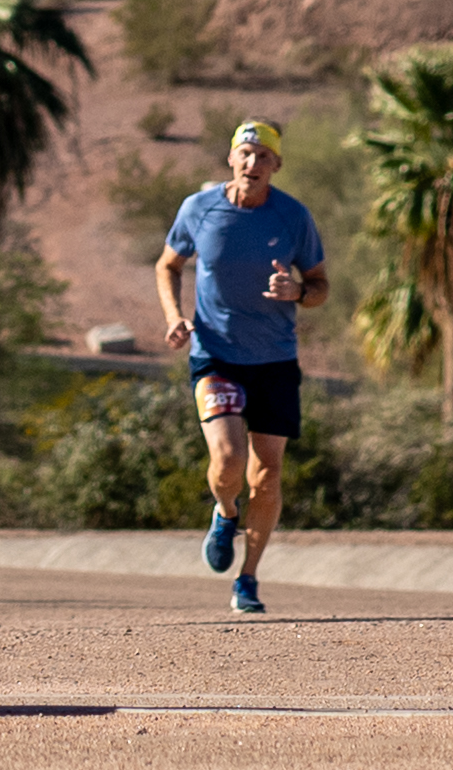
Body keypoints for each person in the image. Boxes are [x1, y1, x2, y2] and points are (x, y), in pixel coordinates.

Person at [155, 118, 328, 615]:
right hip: (215, 354)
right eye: (245, 154)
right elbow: (168, 264)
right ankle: (224, 512)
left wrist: (298, 292)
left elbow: (319, 284)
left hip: (274, 358)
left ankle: (247, 579)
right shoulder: (199, 208)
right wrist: (174, 317)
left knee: (267, 476)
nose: (253, 164)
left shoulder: (292, 217)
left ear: (276, 166)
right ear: (231, 158)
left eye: (263, 157)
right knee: (229, 460)